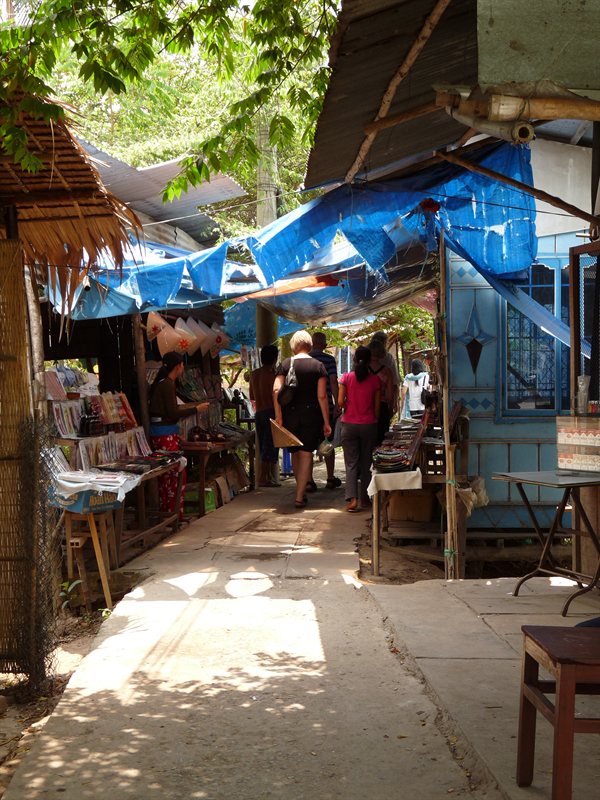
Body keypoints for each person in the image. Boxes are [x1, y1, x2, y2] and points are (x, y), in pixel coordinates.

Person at [273, 330, 331, 509]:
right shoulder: (318, 366)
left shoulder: (285, 364)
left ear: (293, 346)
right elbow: (322, 396)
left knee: (295, 453)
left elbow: (276, 390)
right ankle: (299, 495)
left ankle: (301, 490)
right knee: (306, 453)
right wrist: (326, 421)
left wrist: (279, 416)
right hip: (310, 415)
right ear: (309, 345)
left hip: (289, 415)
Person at [149, 351, 209, 516]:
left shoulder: (164, 383)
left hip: (163, 432)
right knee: (174, 475)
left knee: (169, 475)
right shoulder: (167, 384)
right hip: (164, 434)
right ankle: (173, 513)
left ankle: (170, 512)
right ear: (178, 366)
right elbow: (173, 413)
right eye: (182, 365)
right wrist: (196, 409)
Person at [338, 346, 381, 512]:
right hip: (369, 425)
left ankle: (352, 499)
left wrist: (349, 406)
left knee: (351, 463)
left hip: (349, 425)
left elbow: (340, 401)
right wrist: (372, 417)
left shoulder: (346, 378)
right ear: (370, 361)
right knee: (366, 463)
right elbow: (377, 409)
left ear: (355, 360)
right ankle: (365, 499)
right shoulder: (375, 380)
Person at [308, 331, 342, 490]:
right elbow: (334, 382)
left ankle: (308, 480)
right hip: (326, 406)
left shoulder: (304, 360)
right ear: (324, 344)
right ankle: (329, 477)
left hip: (307, 408)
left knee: (308, 444)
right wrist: (337, 404)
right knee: (327, 442)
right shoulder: (328, 360)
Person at [249, 344, 280, 488]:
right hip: (271, 411)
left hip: (259, 412)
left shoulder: (254, 374)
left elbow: (251, 396)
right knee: (270, 445)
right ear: (275, 358)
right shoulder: (273, 375)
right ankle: (264, 477)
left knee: (262, 445)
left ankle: (266, 476)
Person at [368, 338, 395, 445]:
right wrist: (391, 408)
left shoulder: (363, 369)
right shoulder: (387, 371)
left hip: (366, 408)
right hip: (382, 407)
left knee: (367, 442)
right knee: (381, 441)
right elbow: (389, 396)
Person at [371, 330, 400, 415]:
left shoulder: (363, 358)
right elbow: (395, 383)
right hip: (382, 404)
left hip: (364, 403)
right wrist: (393, 403)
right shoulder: (388, 359)